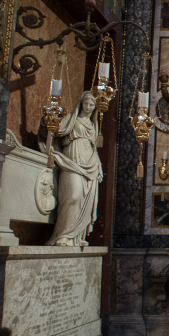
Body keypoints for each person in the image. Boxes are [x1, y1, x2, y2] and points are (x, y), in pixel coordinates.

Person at [43, 91, 103, 246]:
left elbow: (94, 147)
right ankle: (62, 235)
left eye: (92, 104)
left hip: (90, 163)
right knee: (73, 196)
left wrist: (100, 166)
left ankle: (76, 238)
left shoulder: (93, 124)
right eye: (86, 103)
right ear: (81, 103)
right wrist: (48, 121)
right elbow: (57, 129)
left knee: (84, 200)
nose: (89, 107)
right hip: (72, 159)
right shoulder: (72, 118)